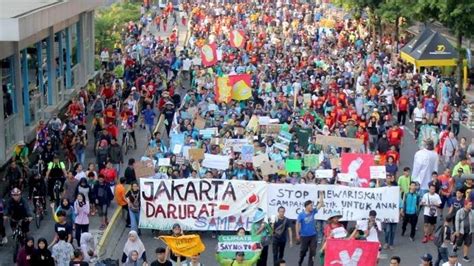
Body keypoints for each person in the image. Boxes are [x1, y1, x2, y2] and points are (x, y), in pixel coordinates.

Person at [296, 197, 324, 266]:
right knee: (303, 250)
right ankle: (301, 259)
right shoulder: (301, 215)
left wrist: (321, 195)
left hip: (313, 235)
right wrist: (297, 234)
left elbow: (320, 204)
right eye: (311, 205)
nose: (312, 207)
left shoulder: (313, 212)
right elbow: (297, 224)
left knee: (313, 251)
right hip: (304, 236)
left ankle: (310, 264)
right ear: (307, 206)